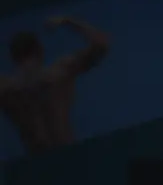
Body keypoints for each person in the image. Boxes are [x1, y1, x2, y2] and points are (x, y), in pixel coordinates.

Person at [0, 16, 113, 154]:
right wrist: (68, 21)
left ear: (13, 58)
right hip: (68, 155)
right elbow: (102, 43)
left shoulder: (7, 90)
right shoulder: (60, 74)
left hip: (38, 166)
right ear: (40, 52)